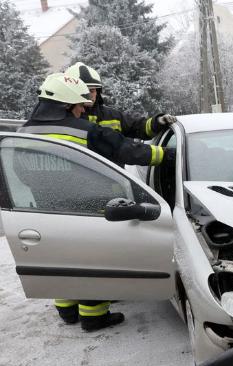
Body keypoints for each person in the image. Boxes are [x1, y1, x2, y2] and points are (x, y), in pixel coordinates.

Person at [18, 73, 173, 331]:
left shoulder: (25, 132)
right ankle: (94, 316)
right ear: (66, 105)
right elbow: (126, 150)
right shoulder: (83, 130)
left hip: (45, 209)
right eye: (79, 105)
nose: (83, 110)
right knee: (91, 259)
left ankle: (66, 311)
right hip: (83, 207)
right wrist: (166, 155)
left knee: (59, 258)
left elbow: (20, 170)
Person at [64, 62, 176, 138]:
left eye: (92, 91)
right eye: (85, 90)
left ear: (98, 92)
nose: (89, 95)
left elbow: (137, 127)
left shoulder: (112, 116)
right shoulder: (62, 120)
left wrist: (158, 122)